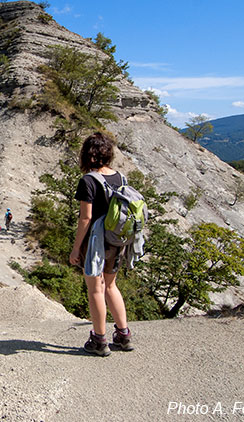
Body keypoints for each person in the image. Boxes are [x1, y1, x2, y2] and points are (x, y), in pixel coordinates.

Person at [69, 132, 133, 356]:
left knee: (95, 289)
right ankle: (123, 335)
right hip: (117, 241)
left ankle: (99, 340)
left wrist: (76, 248)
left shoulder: (88, 180)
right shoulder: (120, 178)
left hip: (96, 242)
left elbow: (85, 218)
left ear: (88, 155)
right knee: (111, 286)